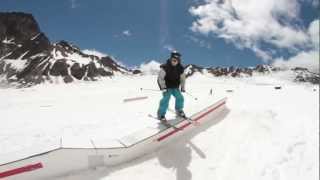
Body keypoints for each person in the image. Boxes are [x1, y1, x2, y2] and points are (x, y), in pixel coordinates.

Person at [157, 51, 186, 122]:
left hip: (175, 87)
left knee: (180, 98)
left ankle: (179, 110)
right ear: (170, 59)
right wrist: (163, 87)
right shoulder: (165, 67)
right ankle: (161, 114)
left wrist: (182, 87)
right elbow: (160, 78)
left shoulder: (180, 69)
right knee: (166, 99)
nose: (174, 62)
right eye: (173, 60)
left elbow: (183, 79)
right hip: (167, 87)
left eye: (176, 60)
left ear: (178, 61)